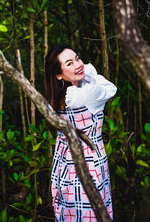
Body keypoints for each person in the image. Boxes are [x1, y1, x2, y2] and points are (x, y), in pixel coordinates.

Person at [45, 45, 116, 221]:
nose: (78, 64)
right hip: (89, 162)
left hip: (64, 164)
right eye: (69, 63)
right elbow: (111, 88)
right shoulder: (87, 94)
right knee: (92, 213)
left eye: (77, 58)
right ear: (58, 74)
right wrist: (90, 74)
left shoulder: (56, 97)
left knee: (71, 212)